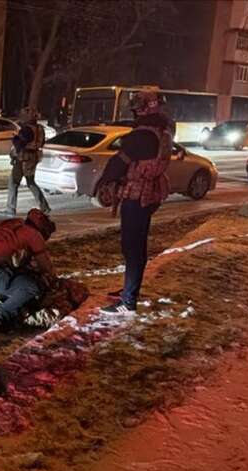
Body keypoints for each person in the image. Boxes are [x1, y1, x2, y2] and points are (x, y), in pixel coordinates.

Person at [97, 89, 174, 316]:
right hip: (151, 194)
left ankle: (128, 300)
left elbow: (118, 163)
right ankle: (130, 290)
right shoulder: (163, 130)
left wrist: (102, 183)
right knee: (138, 246)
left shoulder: (141, 135)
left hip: (136, 195)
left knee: (131, 248)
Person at [0, 208, 57, 326]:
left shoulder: (14, 223)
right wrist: (53, 281)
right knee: (31, 287)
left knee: (18, 279)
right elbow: (46, 267)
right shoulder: (33, 234)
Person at [1, 107, 50, 216]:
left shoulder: (26, 129)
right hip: (34, 157)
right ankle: (44, 207)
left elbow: (19, 144)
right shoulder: (40, 128)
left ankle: (10, 209)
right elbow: (41, 143)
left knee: (13, 183)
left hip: (23, 158)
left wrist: (15, 139)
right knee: (31, 182)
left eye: (24, 115)